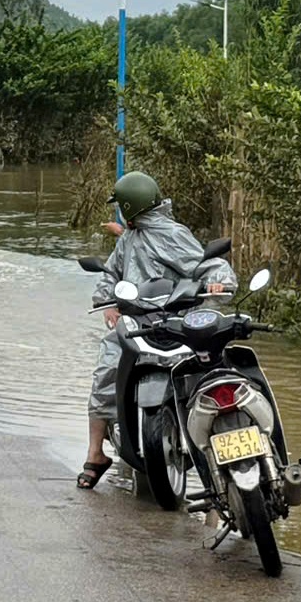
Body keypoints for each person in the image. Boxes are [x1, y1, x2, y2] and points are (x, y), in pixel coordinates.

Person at [80, 170, 228, 491]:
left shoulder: (173, 235)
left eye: (121, 206)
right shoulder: (128, 239)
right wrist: (108, 303)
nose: (120, 212)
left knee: (209, 376)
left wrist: (217, 282)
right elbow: (110, 274)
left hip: (174, 319)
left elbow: (205, 264)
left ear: (130, 207)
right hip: (137, 320)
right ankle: (95, 454)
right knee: (107, 367)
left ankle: (219, 453)